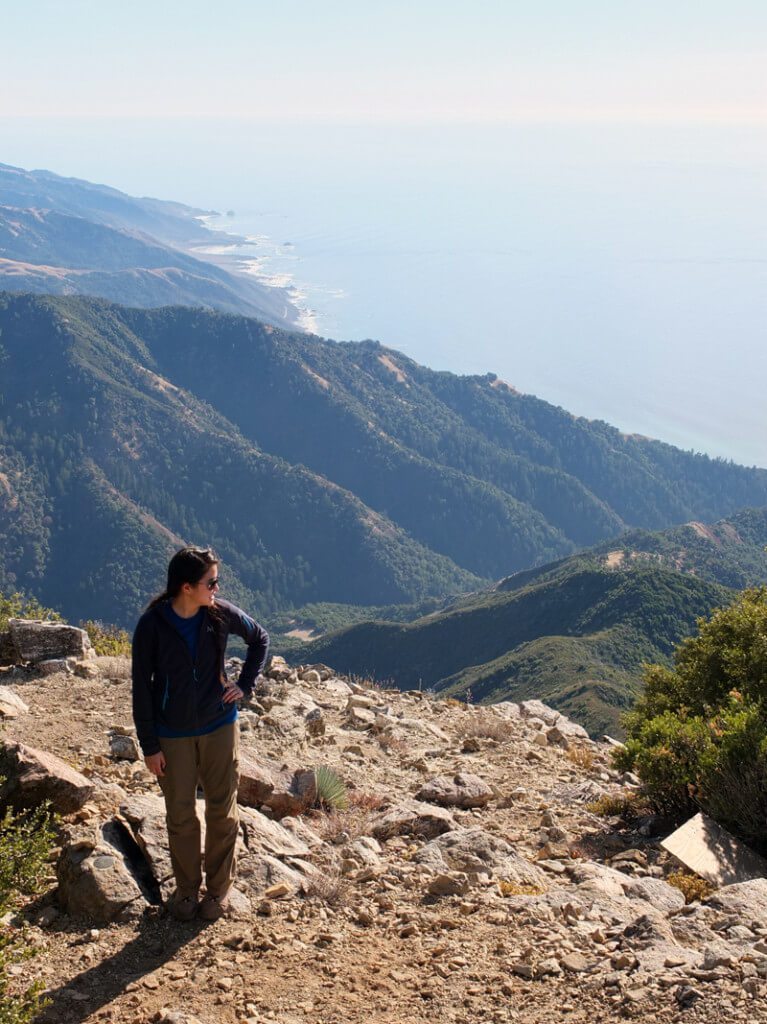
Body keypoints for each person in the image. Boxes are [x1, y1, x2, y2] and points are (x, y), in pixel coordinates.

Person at [131, 546, 269, 921]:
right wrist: (150, 746)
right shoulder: (152, 625)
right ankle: (187, 892)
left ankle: (218, 892)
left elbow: (260, 639)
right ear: (187, 587)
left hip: (219, 725)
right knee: (180, 814)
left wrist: (244, 685)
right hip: (171, 733)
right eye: (212, 582)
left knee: (222, 810)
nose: (217, 589)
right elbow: (141, 687)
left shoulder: (220, 615)